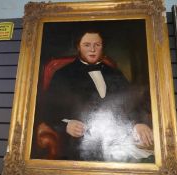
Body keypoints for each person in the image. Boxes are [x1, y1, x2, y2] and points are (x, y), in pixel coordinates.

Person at [34, 29, 153, 162]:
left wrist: (138, 123)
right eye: (87, 45)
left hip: (119, 137)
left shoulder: (115, 73)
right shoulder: (63, 74)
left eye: (97, 45)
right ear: (78, 47)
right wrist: (66, 125)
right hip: (81, 141)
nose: (92, 49)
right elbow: (48, 110)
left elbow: (132, 102)